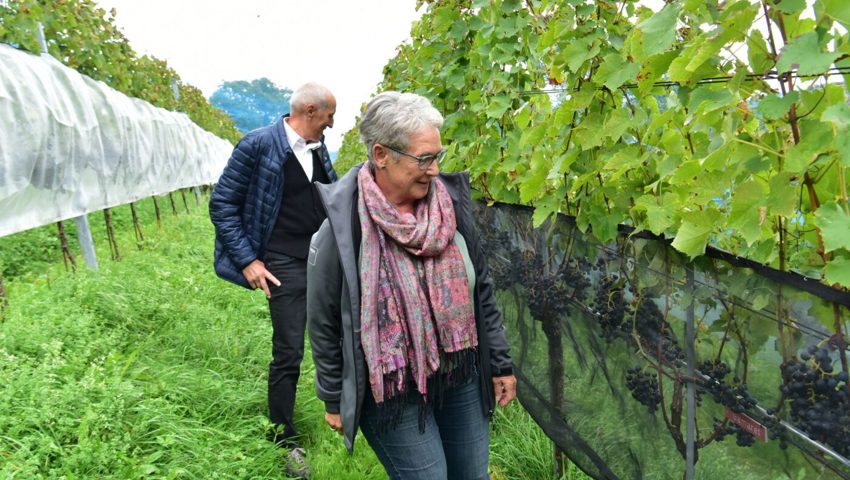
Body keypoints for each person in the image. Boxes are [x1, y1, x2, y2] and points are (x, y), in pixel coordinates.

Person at [307, 91, 517, 479]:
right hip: (391, 387)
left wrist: (500, 363)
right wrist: (333, 396)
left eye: (438, 156)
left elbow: (480, 290)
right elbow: (322, 321)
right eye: (424, 159)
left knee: (472, 474)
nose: (435, 170)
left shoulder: (450, 209)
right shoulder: (344, 230)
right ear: (382, 154)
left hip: (459, 373)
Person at [209, 82, 337, 477]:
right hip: (282, 262)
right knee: (289, 350)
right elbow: (222, 203)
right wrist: (248, 260)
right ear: (311, 111)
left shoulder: (317, 148)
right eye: (329, 116)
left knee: (337, 333)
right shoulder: (256, 145)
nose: (333, 124)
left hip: (321, 256)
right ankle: (283, 436)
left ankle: (346, 410)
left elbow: (330, 197)